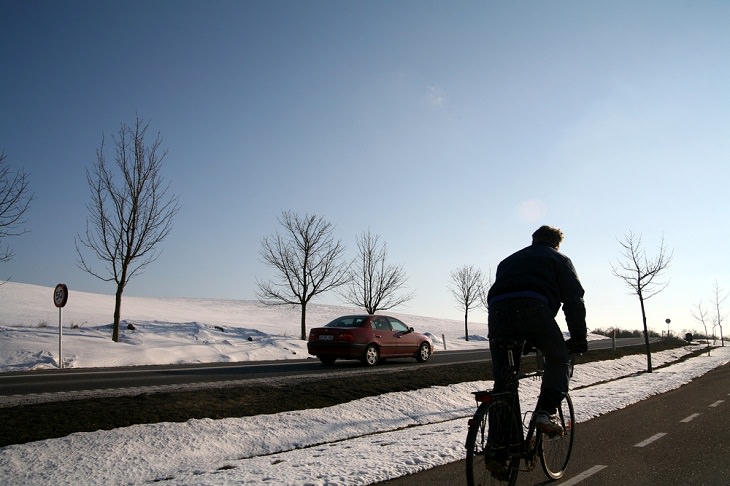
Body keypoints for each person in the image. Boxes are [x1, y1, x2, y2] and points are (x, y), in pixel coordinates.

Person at [487, 225, 587, 435]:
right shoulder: (560, 260)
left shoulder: (507, 261)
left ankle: (501, 447)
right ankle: (545, 412)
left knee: (504, 380)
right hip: (533, 310)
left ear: (534, 240)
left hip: (497, 315)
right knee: (559, 359)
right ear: (556, 244)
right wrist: (578, 337)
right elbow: (573, 301)